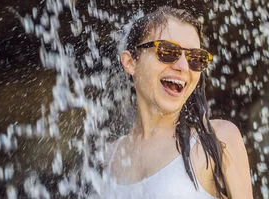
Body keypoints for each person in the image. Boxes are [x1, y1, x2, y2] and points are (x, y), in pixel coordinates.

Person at [102, 6, 253, 199]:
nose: (183, 67)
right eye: (167, 51)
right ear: (130, 62)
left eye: (195, 58)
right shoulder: (109, 156)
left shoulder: (217, 139)